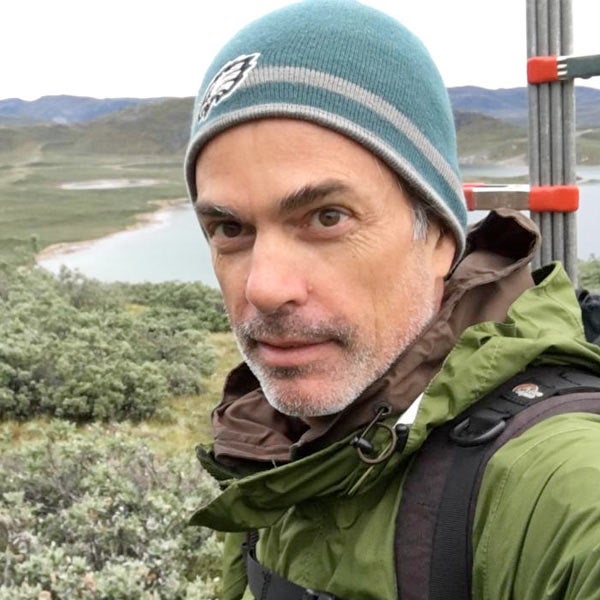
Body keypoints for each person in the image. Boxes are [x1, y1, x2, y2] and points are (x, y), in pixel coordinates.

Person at [183, 1, 600, 598]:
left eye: (326, 217)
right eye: (229, 229)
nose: (264, 288)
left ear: (437, 235)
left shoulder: (559, 486)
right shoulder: (275, 446)